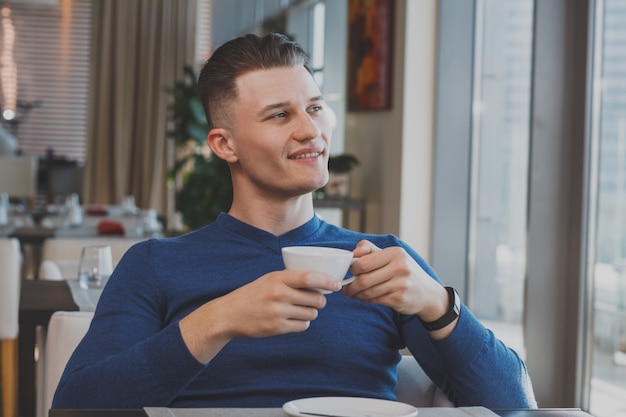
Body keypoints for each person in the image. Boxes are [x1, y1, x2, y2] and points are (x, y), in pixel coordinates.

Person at [52, 33, 536, 410]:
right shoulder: (156, 264)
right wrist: (218, 321)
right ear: (225, 145)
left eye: (315, 107)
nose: (310, 130)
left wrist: (437, 303)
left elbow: (514, 405)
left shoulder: (382, 259)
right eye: (280, 115)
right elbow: (74, 407)